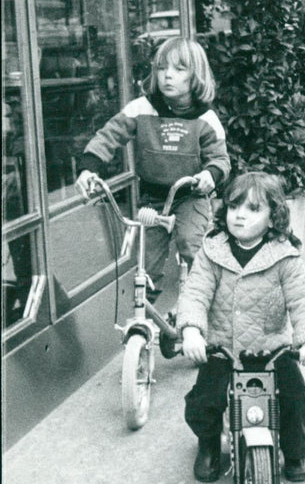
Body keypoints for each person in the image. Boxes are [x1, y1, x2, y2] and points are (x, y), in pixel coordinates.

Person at [177, 171, 305, 483]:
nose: (240, 215)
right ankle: (208, 444)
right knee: (205, 398)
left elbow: (301, 301)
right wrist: (191, 330)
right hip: (223, 347)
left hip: (272, 348)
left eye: (253, 209)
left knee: (296, 396)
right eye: (233, 207)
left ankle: (296, 451)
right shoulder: (212, 251)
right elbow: (196, 292)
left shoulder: (285, 256)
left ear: (273, 218)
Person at [75, 36, 230, 298]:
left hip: (189, 196)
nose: (168, 76)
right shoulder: (141, 108)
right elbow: (108, 136)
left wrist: (209, 175)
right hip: (152, 199)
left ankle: (203, 303)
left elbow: (220, 159)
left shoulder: (205, 118)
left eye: (179, 69)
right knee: (145, 266)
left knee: (190, 244)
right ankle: (147, 319)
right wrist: (89, 168)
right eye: (161, 68)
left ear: (196, 77)